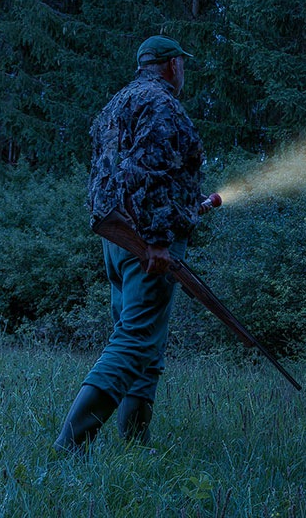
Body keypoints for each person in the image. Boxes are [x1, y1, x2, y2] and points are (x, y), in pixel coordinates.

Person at [54, 34, 217, 453]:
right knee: (135, 340)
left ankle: (134, 447)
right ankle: (70, 446)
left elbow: (117, 176)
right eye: (182, 63)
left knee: (143, 339)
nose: (183, 71)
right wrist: (161, 240)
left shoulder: (115, 105)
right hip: (148, 243)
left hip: (117, 238)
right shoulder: (161, 104)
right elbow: (152, 173)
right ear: (170, 65)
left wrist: (182, 207)